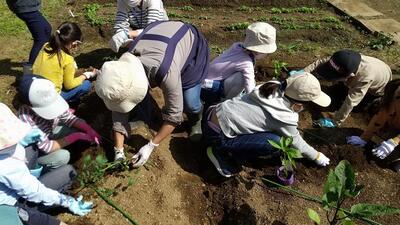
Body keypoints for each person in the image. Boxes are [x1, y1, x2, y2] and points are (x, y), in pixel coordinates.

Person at [96, 20, 209, 163]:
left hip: (189, 42)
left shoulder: (164, 71)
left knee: (190, 103)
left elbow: (174, 116)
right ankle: (146, 115)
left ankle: (196, 117)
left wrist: (150, 146)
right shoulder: (121, 69)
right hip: (162, 38)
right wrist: (118, 150)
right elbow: (118, 111)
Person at [203, 72, 331, 177]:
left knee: (269, 131)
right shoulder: (284, 117)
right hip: (218, 135)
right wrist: (317, 156)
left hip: (212, 112)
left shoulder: (272, 86)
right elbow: (296, 142)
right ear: (298, 106)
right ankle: (219, 153)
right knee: (276, 142)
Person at [0, 102, 93, 225]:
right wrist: (67, 201)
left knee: (31, 150)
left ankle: (36, 175)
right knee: (67, 173)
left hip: (19, 183)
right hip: (16, 203)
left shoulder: (6, 152)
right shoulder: (6, 165)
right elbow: (35, 192)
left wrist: (22, 141)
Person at [17, 75, 100, 169]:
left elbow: (69, 118)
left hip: (51, 132)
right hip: (38, 150)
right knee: (62, 157)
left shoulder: (50, 96)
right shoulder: (26, 120)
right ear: (29, 106)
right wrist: (75, 137)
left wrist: (89, 129)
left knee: (80, 124)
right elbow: (46, 147)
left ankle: (72, 148)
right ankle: (44, 172)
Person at [304, 49, 392, 127]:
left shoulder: (364, 78)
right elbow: (322, 61)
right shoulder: (342, 59)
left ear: (350, 75)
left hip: (378, 88)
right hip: (374, 68)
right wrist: (303, 72)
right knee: (337, 90)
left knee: (360, 106)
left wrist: (335, 121)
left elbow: (351, 101)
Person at [201, 22, 277, 107]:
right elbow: (250, 89)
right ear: (258, 51)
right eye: (267, 53)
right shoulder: (246, 63)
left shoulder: (237, 46)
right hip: (208, 88)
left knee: (240, 78)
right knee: (241, 79)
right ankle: (223, 106)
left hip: (203, 81)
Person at [32, 22, 98, 103]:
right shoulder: (67, 59)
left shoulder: (46, 46)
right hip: (48, 98)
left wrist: (80, 70)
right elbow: (69, 85)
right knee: (86, 85)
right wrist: (86, 75)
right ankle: (67, 104)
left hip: (33, 89)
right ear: (74, 44)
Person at [347, 79, 400, 171]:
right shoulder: (394, 93)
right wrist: (364, 138)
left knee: (391, 160)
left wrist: (394, 142)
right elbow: (381, 116)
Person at [6, 0, 52, 74]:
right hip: (25, 8)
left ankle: (42, 62)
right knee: (41, 38)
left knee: (47, 29)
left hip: (29, 7)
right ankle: (29, 72)